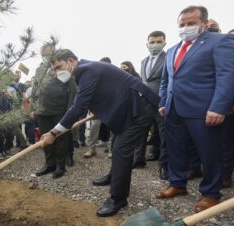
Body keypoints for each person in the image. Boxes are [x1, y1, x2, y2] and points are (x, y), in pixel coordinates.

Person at [41, 49, 159, 217]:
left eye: (59, 66)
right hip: (127, 108)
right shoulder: (86, 71)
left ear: (72, 60)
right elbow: (103, 93)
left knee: (121, 150)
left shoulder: (87, 70)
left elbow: (79, 105)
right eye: (54, 69)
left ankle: (118, 198)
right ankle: (114, 176)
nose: (58, 71)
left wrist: (53, 132)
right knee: (116, 143)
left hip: (140, 107)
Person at [156, 6, 234, 213]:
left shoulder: (221, 42)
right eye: (182, 24)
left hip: (204, 110)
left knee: (210, 153)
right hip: (173, 110)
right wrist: (163, 102)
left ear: (204, 23)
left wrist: (219, 107)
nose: (185, 28)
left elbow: (227, 77)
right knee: (176, 149)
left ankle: (210, 193)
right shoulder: (172, 50)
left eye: (191, 23)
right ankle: (177, 183)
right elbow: (166, 81)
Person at [32, 44, 77, 178]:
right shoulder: (40, 70)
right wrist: (34, 107)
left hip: (60, 110)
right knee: (45, 139)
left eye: (49, 52)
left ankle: (60, 166)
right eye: (44, 52)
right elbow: (35, 88)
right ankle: (49, 164)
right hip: (43, 111)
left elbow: (73, 90)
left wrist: (70, 111)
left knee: (60, 139)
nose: (46, 55)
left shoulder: (62, 66)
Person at [136, 31, 168, 179]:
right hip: (145, 103)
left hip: (162, 102)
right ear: (147, 44)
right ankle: (138, 159)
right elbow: (144, 82)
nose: (155, 45)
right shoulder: (143, 61)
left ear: (164, 43)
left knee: (164, 135)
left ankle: (165, 166)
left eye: (159, 42)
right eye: (152, 42)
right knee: (140, 131)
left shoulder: (169, 58)